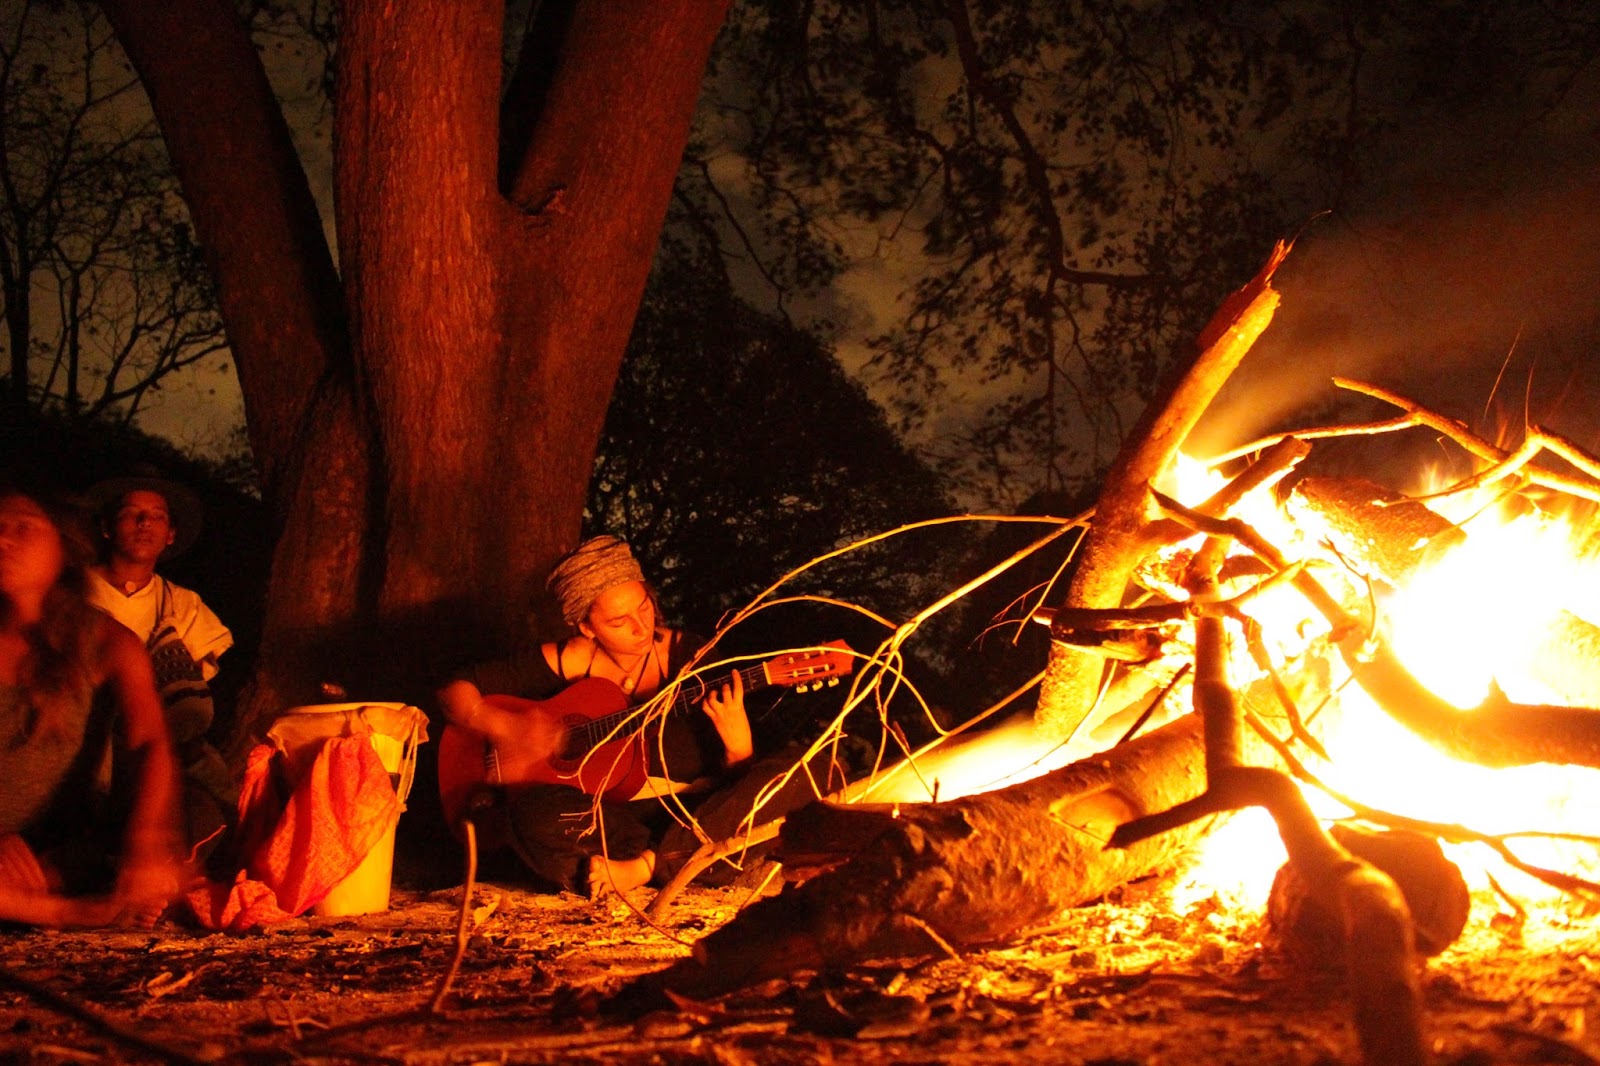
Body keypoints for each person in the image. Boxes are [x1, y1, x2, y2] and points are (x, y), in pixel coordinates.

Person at [437, 535, 838, 898]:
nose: (641, 627)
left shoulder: (693, 658)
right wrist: (509, 727)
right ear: (586, 627)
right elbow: (453, 691)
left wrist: (739, 747)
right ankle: (685, 866)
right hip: (618, 825)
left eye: (644, 607)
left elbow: (738, 791)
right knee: (528, 816)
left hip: (694, 815)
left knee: (814, 768)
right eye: (618, 621)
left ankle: (646, 868)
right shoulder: (569, 659)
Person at [0, 482, 182, 927]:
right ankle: (68, 914)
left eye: (23, 528)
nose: (3, 540)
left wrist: (147, 841)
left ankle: (53, 901)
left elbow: (150, 743)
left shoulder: (107, 642)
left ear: (63, 546)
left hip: (55, 852)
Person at [83, 470, 234, 863]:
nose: (144, 523)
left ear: (170, 535)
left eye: (157, 516)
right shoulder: (75, 593)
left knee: (204, 816)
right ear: (107, 528)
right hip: (81, 748)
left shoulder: (184, 606)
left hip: (158, 751)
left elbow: (191, 698)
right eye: (132, 513)